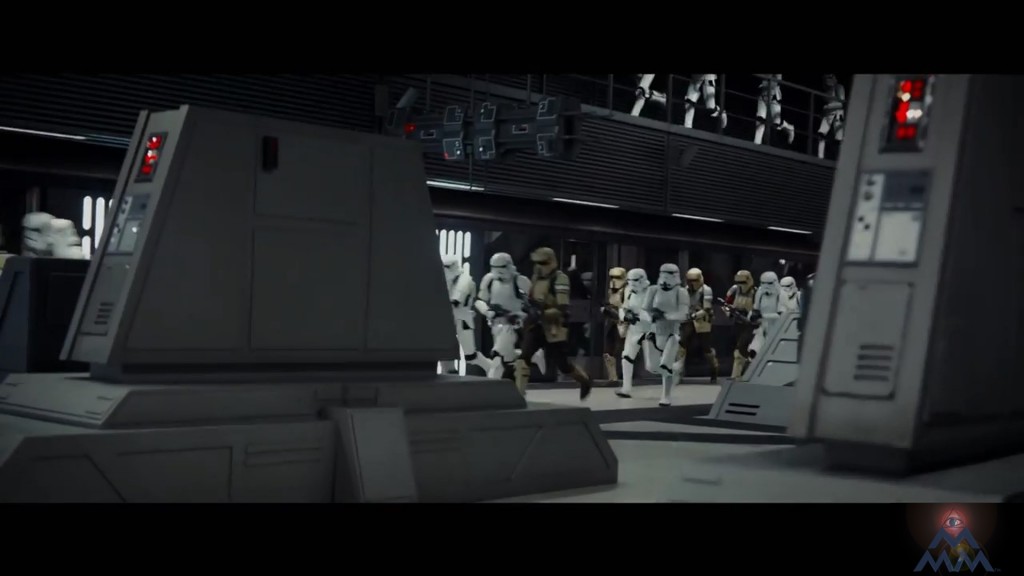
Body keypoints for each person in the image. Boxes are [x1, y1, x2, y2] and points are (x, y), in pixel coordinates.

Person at [513, 247, 593, 399]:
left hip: (553, 327)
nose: (539, 266)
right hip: (536, 325)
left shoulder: (560, 278)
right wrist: (529, 309)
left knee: (563, 365)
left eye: (543, 263)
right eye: (537, 263)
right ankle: (519, 394)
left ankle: (584, 380)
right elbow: (531, 299)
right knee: (523, 358)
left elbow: (562, 307)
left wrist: (542, 313)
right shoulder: (536, 278)